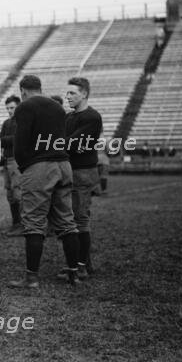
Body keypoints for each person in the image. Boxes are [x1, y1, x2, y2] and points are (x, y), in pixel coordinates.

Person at [8, 75, 80, 289]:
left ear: (22, 90)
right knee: (67, 221)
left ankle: (31, 278)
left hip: (40, 167)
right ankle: (73, 273)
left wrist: (23, 166)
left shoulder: (25, 106)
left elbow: (20, 143)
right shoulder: (57, 107)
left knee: (33, 222)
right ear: (40, 88)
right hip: (63, 165)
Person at [63, 77, 103, 279]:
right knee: (71, 219)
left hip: (83, 172)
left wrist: (65, 143)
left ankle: (80, 265)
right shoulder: (69, 117)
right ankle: (81, 262)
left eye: (72, 93)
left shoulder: (92, 117)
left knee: (80, 218)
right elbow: (66, 142)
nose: (67, 96)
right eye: (67, 93)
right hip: (72, 170)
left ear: (84, 94)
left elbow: (73, 143)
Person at [0, 95, 22, 237]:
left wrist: (5, 140)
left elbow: (18, 139)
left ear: (19, 106)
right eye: (7, 108)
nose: (10, 110)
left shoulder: (23, 121)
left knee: (18, 192)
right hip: (7, 160)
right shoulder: (7, 123)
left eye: (12, 107)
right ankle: (16, 223)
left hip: (16, 160)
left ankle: (23, 225)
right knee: (10, 193)